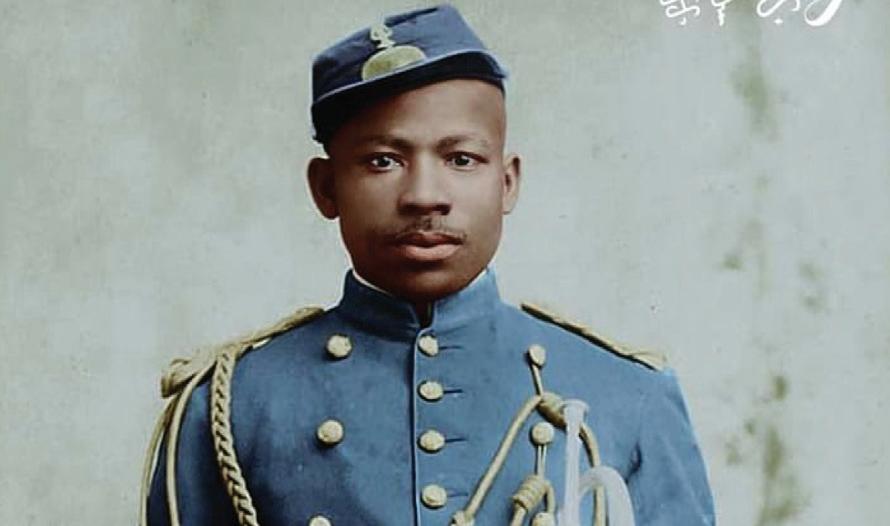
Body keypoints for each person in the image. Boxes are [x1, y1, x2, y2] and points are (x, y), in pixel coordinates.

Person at [141, 5, 715, 526]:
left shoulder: (628, 394)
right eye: (382, 161)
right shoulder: (230, 404)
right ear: (325, 187)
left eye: (461, 159)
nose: (424, 196)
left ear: (507, 182)